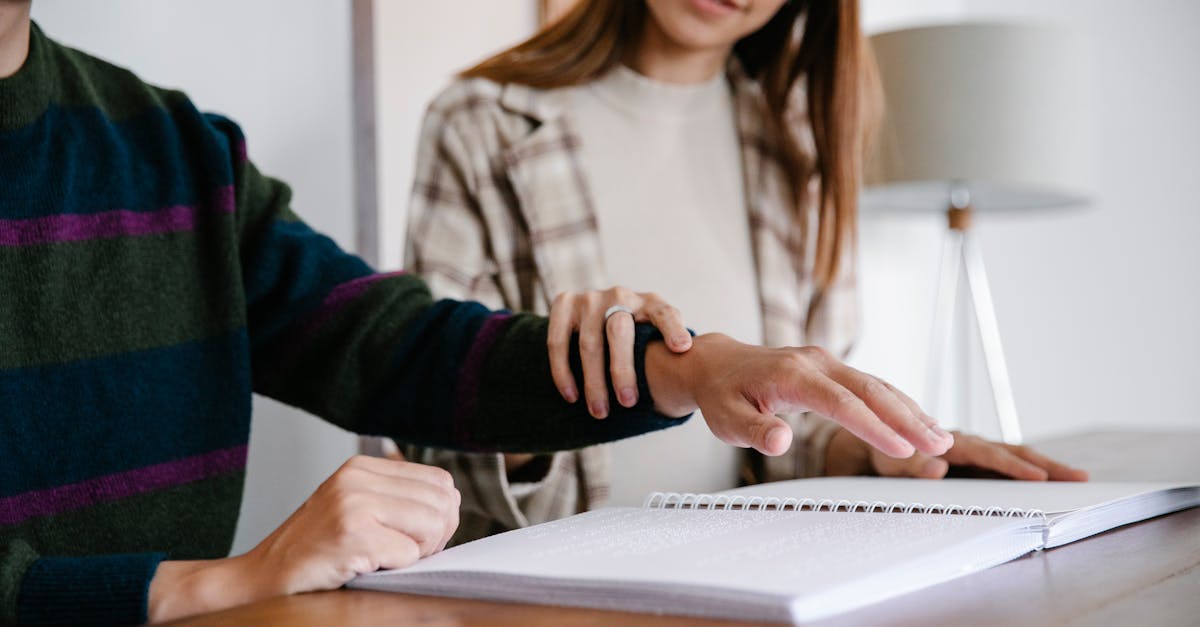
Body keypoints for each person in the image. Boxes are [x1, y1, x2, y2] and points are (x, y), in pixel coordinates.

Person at [0, 3, 958, 624]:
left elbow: (396, 343)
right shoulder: (484, 117)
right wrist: (208, 583)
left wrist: (685, 367)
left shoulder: (173, 148)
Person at [400, 0, 1088, 544]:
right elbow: (426, 419)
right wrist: (559, 378)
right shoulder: (480, 122)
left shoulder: (797, 143)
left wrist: (878, 452)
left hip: (743, 590)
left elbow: (780, 431)